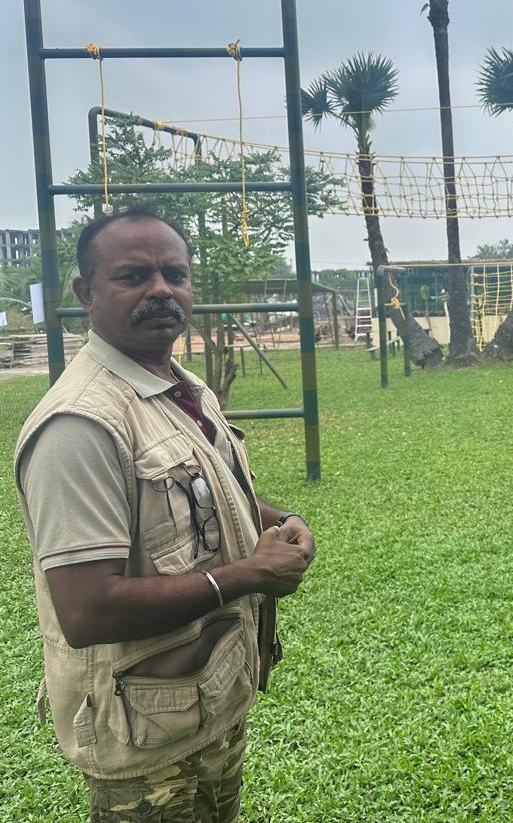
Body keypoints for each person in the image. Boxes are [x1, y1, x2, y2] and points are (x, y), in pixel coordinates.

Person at [13, 205, 316, 822]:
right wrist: (250, 575)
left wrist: (277, 518)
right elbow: (87, 610)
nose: (161, 290)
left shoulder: (180, 386)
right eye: (133, 276)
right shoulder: (81, 426)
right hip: (144, 740)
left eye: (175, 275)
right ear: (86, 292)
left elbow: (201, 488)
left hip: (204, 697)